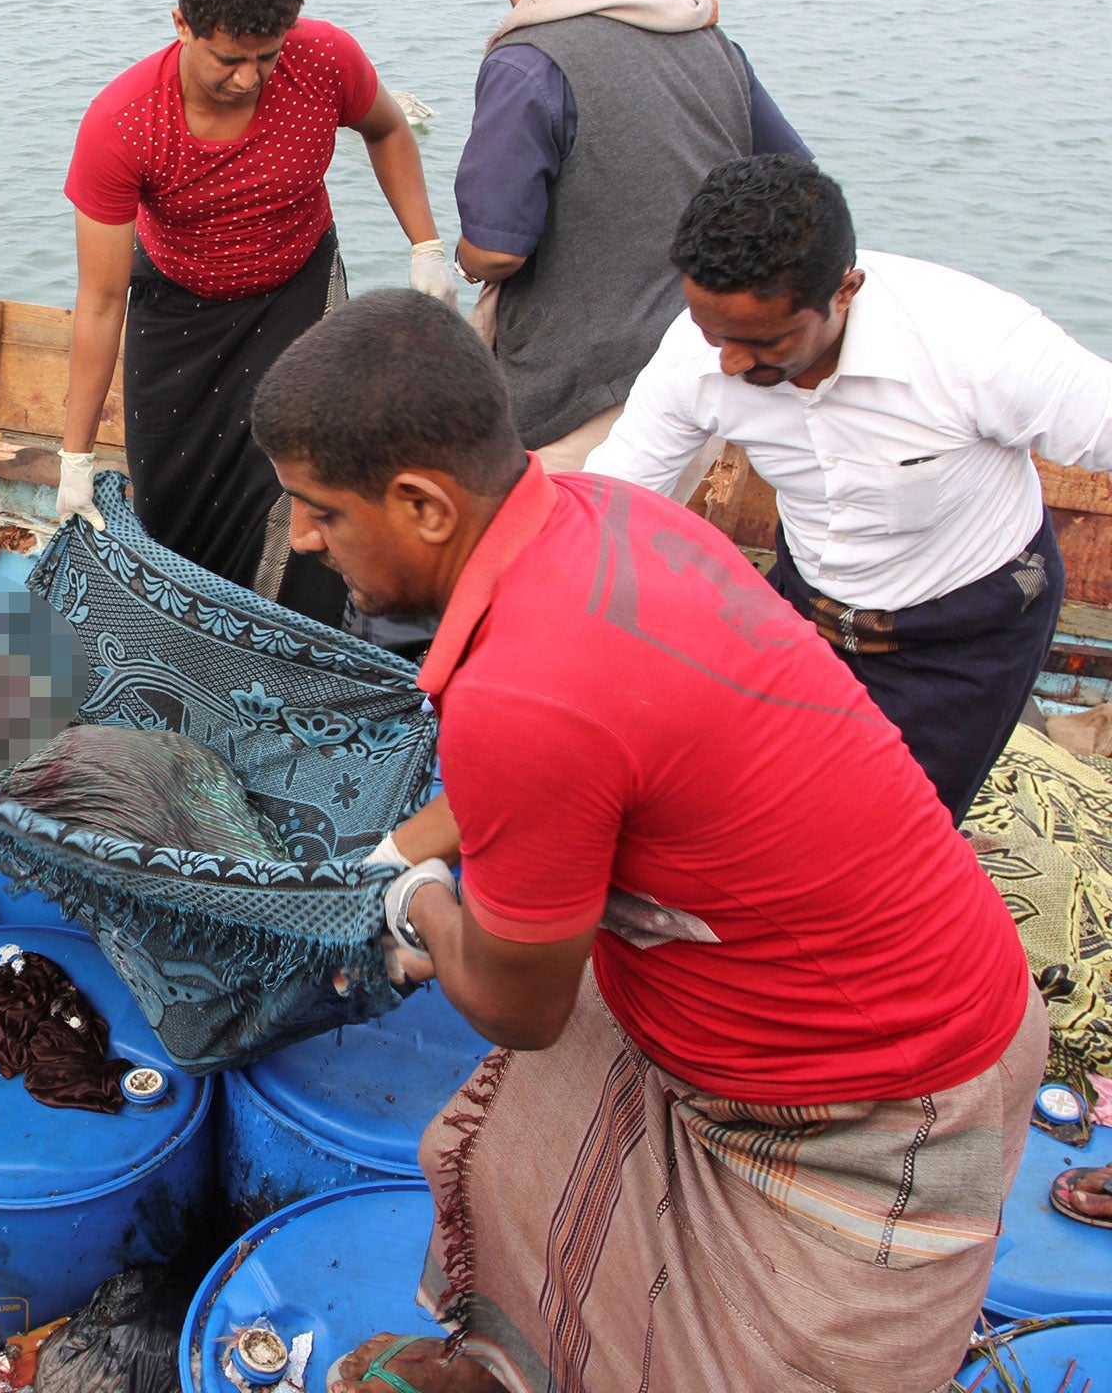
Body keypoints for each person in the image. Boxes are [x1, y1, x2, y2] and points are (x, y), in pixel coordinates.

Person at [250, 289, 1042, 1393]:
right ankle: (512, 1363)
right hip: (904, 970)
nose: (301, 537)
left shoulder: (521, 697)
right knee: (528, 1172)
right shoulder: (600, 517)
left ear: (423, 505)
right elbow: (562, 766)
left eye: (316, 509)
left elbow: (519, 1009)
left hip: (876, 1096)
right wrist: (395, 849)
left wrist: (413, 906)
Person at [586, 154, 1112, 824]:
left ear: (845, 291)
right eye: (712, 333)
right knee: (725, 790)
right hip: (808, 599)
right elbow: (611, 501)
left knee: (894, 833)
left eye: (765, 341)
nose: (730, 363)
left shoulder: (978, 346)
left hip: (967, 627)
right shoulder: (701, 353)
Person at [58, 0, 457, 630]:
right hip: (179, 316)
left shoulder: (325, 59)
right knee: (171, 500)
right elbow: (98, 304)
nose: (249, 78)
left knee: (312, 474)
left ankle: (298, 651)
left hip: (298, 294)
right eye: (229, 60)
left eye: (265, 57)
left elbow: (388, 129)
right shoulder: (123, 124)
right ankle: (191, 648)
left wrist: (426, 245)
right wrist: (75, 456)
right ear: (182, 25)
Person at [454, 0, 809, 473]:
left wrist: (456, 260)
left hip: (584, 397)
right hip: (712, 361)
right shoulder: (710, 40)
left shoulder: (526, 63)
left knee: (560, 553)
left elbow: (495, 251)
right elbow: (795, 186)